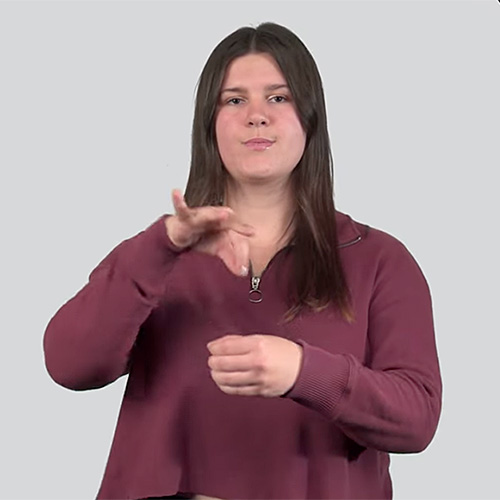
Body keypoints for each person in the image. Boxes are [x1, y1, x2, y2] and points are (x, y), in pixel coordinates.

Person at [43, 22, 442, 500]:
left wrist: (303, 371)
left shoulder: (380, 259)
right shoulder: (156, 257)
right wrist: (163, 245)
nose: (257, 116)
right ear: (209, 124)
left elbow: (417, 419)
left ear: (310, 119)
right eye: (234, 100)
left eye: (279, 98)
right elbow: (69, 365)